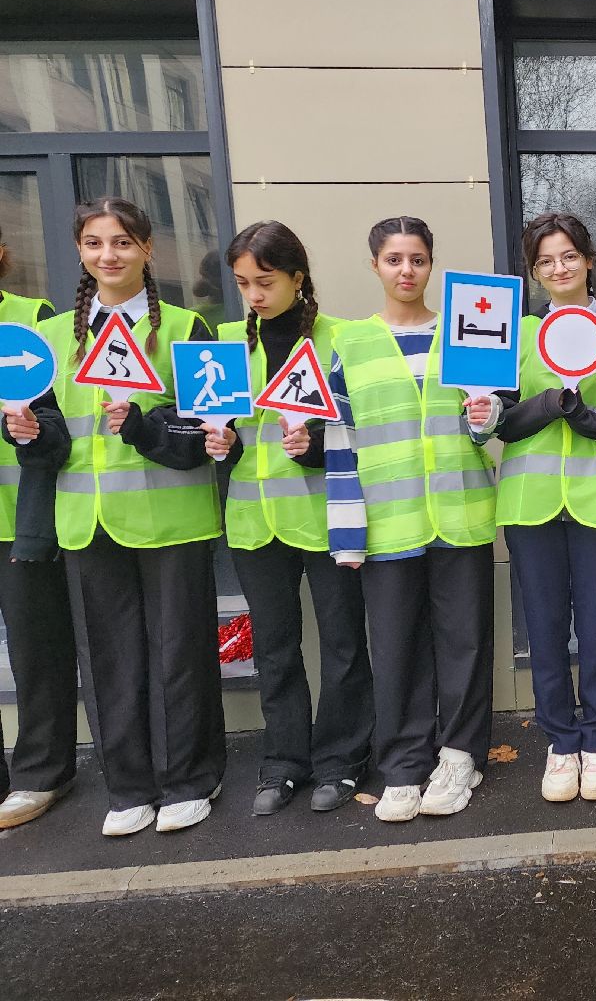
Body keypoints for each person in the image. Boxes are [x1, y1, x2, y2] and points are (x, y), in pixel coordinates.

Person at [27, 197, 224, 836]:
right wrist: (28, 432)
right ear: (80, 252)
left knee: (180, 654)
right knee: (109, 658)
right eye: (93, 244)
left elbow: (203, 433)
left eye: (121, 242)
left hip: (172, 519)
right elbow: (54, 437)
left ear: (147, 249)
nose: (108, 255)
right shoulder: (56, 335)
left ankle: (191, 778)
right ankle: (131, 786)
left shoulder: (188, 328)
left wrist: (142, 427)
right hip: (88, 521)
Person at [326, 216, 496, 823]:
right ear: (374, 265)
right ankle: (402, 764)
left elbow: (485, 428)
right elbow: (338, 441)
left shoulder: (466, 333)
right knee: (394, 647)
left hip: (461, 512)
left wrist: (484, 416)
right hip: (387, 522)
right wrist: (346, 532)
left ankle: (460, 756)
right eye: (394, 259)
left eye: (418, 260)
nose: (406, 271)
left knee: (465, 643)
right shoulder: (348, 344)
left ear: (432, 265)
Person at [204, 220, 373, 815]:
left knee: (342, 642)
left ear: (297, 278)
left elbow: (363, 429)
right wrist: (220, 444)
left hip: (331, 517)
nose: (253, 294)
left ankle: (343, 760)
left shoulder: (341, 340)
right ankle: (282, 762)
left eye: (265, 281)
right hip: (254, 521)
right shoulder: (222, 346)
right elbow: (217, 429)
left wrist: (319, 448)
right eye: (244, 283)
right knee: (274, 648)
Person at [494, 212, 596, 802]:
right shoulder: (510, 336)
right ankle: (560, 743)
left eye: (568, 256)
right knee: (543, 628)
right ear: (534, 273)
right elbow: (501, 421)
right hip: (530, 503)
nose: (557, 269)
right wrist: (542, 405)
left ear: (589, 260)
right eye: (544, 261)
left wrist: (581, 413)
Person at [0, 224, 78, 830]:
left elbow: (55, 432)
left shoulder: (34, 321)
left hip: (19, 519)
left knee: (37, 653)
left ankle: (40, 773)